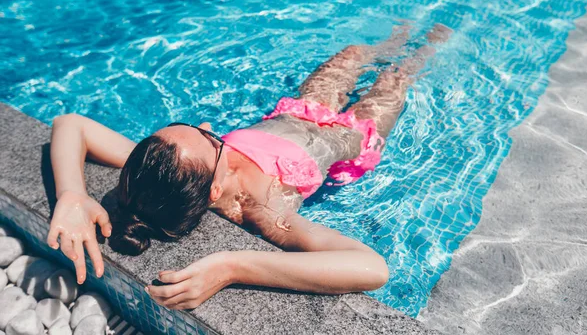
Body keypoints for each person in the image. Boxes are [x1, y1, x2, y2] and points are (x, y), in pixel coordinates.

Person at [47, 23, 451, 310]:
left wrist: (73, 195)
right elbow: (371, 267)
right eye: (212, 140)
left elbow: (71, 124)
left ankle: (402, 30)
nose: (207, 126)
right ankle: (434, 42)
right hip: (349, 137)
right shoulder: (264, 210)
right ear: (214, 191)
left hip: (300, 112)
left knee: (352, 56)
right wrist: (232, 265)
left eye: (187, 128)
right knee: (396, 79)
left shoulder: (171, 167)